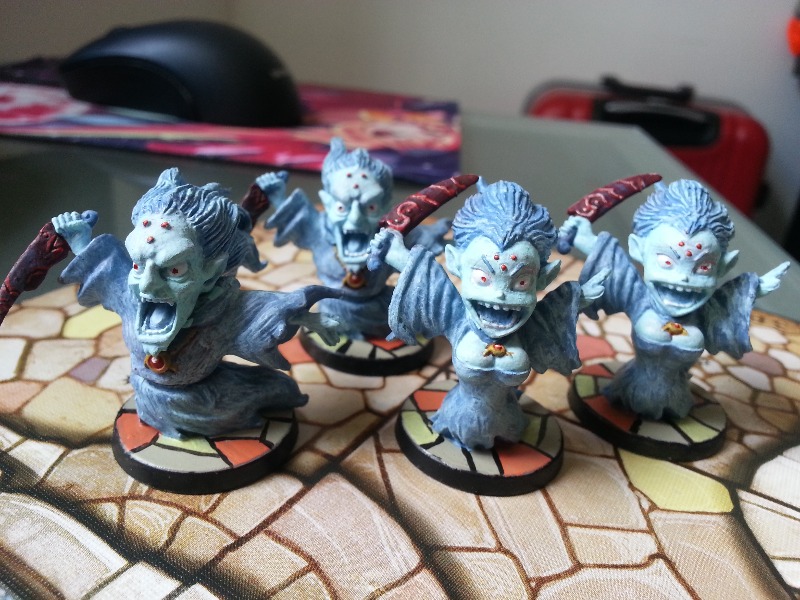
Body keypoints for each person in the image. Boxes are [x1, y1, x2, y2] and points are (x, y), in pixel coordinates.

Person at [53, 168, 339, 438]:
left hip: (204, 398)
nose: (148, 285)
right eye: (138, 265)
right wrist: (79, 239)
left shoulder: (224, 312)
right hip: (149, 393)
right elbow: (106, 272)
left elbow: (266, 312)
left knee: (275, 389)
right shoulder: (132, 295)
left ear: (211, 273)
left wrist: (309, 318)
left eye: (174, 270)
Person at [371, 179, 606, 450]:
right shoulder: (457, 317)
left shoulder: (532, 326)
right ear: (456, 263)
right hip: (457, 418)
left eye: (521, 282)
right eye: (483, 278)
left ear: (544, 278)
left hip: (509, 422)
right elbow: (429, 280)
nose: (500, 296)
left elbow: (558, 308)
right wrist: (395, 252)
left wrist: (578, 298)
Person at [562, 179, 789, 419]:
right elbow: (613, 262)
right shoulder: (638, 296)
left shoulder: (706, 311)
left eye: (703, 267)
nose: (684, 277)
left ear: (724, 266)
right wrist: (582, 236)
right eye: (667, 261)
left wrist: (753, 288)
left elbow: (731, 300)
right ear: (638, 249)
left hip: (678, 398)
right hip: (627, 391)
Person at [256, 137, 450, 339]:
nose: (355, 219)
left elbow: (422, 254)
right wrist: (277, 196)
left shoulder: (393, 238)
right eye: (342, 207)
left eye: (371, 207)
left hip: (380, 308)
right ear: (327, 203)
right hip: (332, 309)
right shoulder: (320, 229)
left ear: (386, 206)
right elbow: (297, 219)